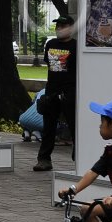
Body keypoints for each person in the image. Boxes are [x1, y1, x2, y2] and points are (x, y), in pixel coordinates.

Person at [35, 15, 77, 172]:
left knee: (74, 126)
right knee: (48, 127)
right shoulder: (51, 44)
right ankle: (44, 159)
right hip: (51, 91)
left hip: (69, 91)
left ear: (71, 28)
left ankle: (78, 157)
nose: (59, 28)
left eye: (63, 25)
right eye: (57, 25)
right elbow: (49, 64)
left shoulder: (75, 47)